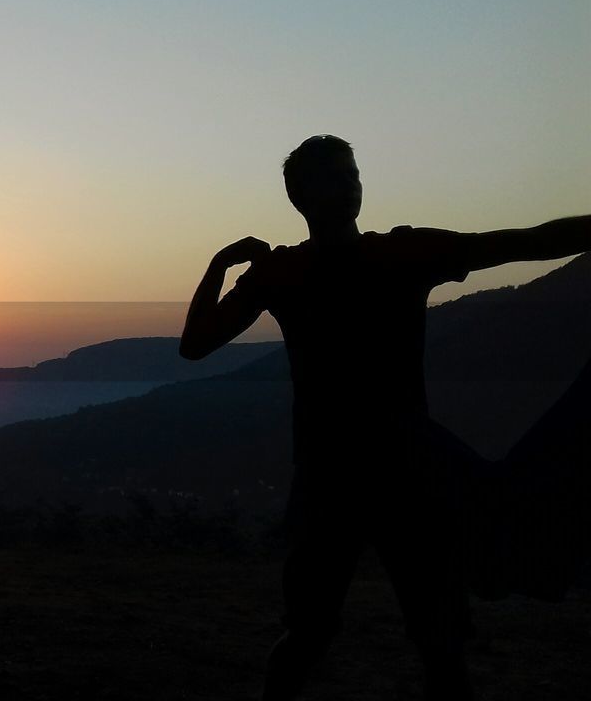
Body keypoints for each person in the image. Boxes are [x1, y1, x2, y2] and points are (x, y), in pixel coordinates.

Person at [178, 134, 590, 701]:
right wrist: (220, 265)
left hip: (393, 475)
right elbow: (195, 345)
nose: (350, 184)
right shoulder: (305, 269)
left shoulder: (386, 255)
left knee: (430, 640)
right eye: (335, 176)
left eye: (353, 173)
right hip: (357, 476)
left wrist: (221, 267)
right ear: (301, 196)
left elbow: (524, 242)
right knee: (317, 632)